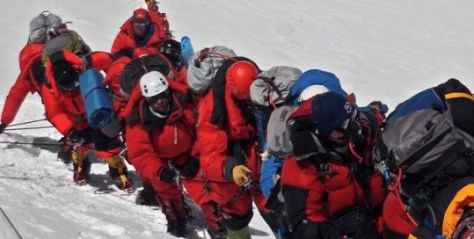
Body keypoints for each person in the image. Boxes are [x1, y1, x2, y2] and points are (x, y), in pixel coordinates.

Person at [281, 92, 386, 238]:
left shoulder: (356, 137)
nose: (350, 128)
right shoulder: (302, 166)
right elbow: (305, 223)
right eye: (342, 126)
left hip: (369, 219)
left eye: (350, 120)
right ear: (323, 132)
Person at [40, 32, 132, 189]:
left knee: (106, 142)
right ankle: (80, 167)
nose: (73, 88)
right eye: (68, 87)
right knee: (81, 142)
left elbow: (111, 61)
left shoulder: (86, 63)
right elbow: (55, 113)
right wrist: (69, 130)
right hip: (74, 119)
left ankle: (118, 171)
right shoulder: (48, 86)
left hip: (96, 107)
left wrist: (115, 82)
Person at [196, 57, 272, 238]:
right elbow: (210, 158)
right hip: (231, 172)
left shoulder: (262, 92)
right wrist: (231, 168)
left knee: (276, 211)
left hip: (260, 162)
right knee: (236, 217)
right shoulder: (212, 111)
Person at [125, 72, 200, 237]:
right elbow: (141, 154)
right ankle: (176, 221)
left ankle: (216, 219)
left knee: (202, 183)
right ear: (146, 99)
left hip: (186, 155)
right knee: (166, 190)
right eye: (154, 98)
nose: (160, 101)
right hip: (160, 163)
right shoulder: (138, 120)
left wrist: (196, 156)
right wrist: (159, 171)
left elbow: (200, 132)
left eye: (163, 95)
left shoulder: (183, 106)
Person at [0, 12, 64, 135]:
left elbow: (16, 95)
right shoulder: (64, 52)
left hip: (56, 105)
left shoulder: (29, 63)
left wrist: (4, 122)